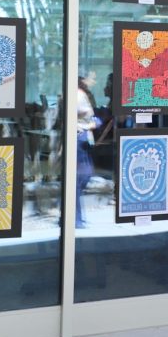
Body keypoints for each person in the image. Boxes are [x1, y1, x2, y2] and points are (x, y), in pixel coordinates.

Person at [76, 71, 98, 228]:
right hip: (79, 137)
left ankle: (75, 217)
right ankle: (75, 218)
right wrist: (93, 123)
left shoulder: (83, 94)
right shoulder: (77, 95)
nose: (93, 81)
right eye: (91, 78)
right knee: (81, 178)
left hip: (83, 137)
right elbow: (81, 115)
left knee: (83, 177)